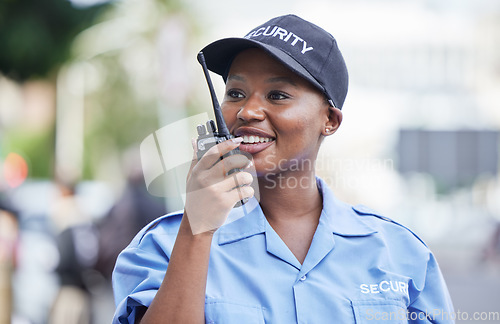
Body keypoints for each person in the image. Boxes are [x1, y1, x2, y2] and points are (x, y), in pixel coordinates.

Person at [112, 14, 455, 323]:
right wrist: (197, 233)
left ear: (330, 120)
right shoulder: (163, 245)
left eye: (277, 95)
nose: (247, 111)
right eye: (235, 92)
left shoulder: (400, 252)